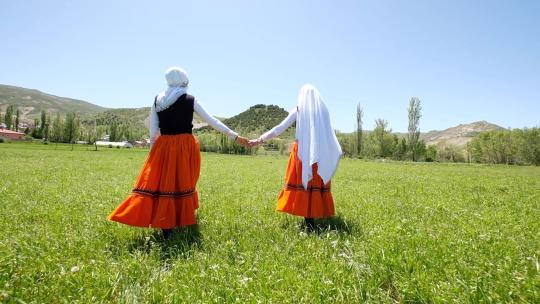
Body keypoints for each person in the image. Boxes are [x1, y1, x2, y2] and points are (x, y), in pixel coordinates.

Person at [108, 67, 249, 238]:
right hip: (184, 145)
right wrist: (235, 137)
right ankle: (178, 220)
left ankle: (165, 224)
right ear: (184, 80)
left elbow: (153, 132)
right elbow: (212, 121)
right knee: (183, 181)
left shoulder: (157, 100)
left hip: (163, 145)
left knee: (164, 183)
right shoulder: (190, 99)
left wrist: (154, 154)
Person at [250, 84, 342, 230]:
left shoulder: (299, 109)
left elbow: (279, 128)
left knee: (305, 182)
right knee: (315, 183)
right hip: (320, 153)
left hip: (302, 153)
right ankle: (312, 219)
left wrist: (260, 139)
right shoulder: (323, 111)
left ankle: (309, 222)